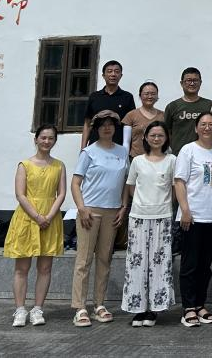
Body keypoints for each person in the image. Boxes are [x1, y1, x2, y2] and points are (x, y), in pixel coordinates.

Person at [4, 124, 66, 328]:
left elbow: (61, 194)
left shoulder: (59, 166)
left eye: (51, 138)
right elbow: (20, 194)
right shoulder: (24, 165)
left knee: (45, 267)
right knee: (22, 268)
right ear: (36, 139)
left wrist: (49, 216)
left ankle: (38, 308)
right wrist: (38, 216)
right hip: (27, 218)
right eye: (43, 137)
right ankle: (20, 309)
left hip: (50, 218)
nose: (47, 141)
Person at [70, 110, 128, 327]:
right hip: (90, 211)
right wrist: (81, 207)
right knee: (84, 260)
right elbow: (76, 183)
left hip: (112, 211)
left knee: (105, 259)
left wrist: (123, 206)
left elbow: (125, 182)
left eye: (110, 124)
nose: (107, 128)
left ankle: (99, 304)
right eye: (102, 125)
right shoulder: (88, 152)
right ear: (96, 129)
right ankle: (80, 307)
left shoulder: (122, 152)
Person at [121, 120, 176, 326]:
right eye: (153, 135)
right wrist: (142, 203)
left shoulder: (172, 160)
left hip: (163, 217)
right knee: (137, 263)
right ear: (145, 137)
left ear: (166, 138)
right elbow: (131, 187)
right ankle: (138, 308)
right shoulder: (137, 161)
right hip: (138, 217)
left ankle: (154, 309)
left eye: (160, 135)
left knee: (159, 263)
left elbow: (174, 188)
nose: (156, 138)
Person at [173, 112, 212, 328]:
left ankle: (200, 304)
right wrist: (185, 210)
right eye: (203, 124)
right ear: (196, 128)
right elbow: (179, 182)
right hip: (192, 217)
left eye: (211, 124)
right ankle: (188, 308)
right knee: (190, 264)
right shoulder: (188, 150)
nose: (207, 128)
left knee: (205, 265)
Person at [81, 60, 135, 148]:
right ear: (103, 75)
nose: (113, 74)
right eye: (109, 71)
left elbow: (130, 125)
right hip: (96, 146)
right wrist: (83, 149)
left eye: (116, 71)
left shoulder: (127, 97)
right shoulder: (94, 96)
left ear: (121, 76)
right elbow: (87, 124)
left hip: (118, 147)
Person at [164, 67, 212, 154]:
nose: (192, 83)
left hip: (204, 154)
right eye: (188, 80)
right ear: (181, 83)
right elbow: (166, 132)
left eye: (195, 80)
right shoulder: (172, 106)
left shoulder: (209, 105)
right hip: (178, 154)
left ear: (200, 82)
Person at [122, 81, 164, 159]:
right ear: (140, 96)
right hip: (135, 158)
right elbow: (126, 142)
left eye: (153, 94)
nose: (150, 96)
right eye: (146, 94)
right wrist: (125, 159)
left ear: (157, 96)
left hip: (158, 159)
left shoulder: (163, 115)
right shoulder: (131, 115)